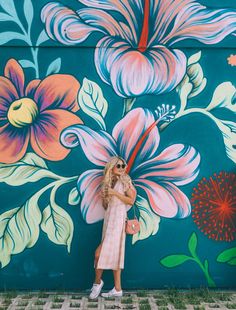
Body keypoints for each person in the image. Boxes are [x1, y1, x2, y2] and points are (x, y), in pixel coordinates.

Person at [89, 156, 137, 299]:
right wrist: (105, 196)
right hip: (109, 220)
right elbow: (106, 205)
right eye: (119, 166)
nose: (122, 168)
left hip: (118, 222)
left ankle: (97, 283)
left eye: (124, 166)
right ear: (112, 167)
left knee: (98, 253)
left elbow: (131, 200)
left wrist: (115, 193)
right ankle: (118, 289)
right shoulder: (110, 181)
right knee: (116, 255)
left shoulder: (125, 180)